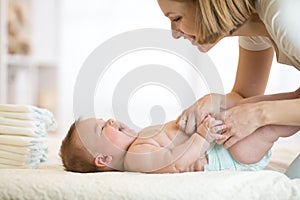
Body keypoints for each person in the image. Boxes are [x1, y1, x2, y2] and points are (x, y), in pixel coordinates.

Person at [156, 0, 300, 178]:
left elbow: (253, 111)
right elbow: (246, 95)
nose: (174, 34)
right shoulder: (254, 29)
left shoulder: (285, 17)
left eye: (176, 18)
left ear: (206, 5)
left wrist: (259, 114)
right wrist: (215, 101)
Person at [60, 93, 299, 173]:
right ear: (103, 159)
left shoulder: (142, 139)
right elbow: (176, 163)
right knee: (269, 124)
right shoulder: (136, 158)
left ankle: (294, 97)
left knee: (252, 104)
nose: (110, 120)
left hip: (223, 139)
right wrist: (202, 136)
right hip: (229, 155)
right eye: (103, 128)